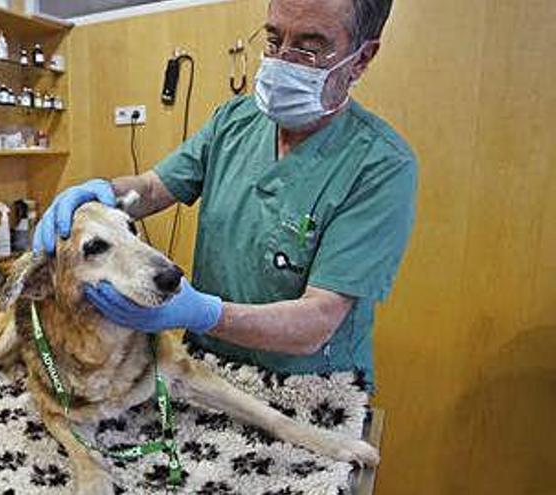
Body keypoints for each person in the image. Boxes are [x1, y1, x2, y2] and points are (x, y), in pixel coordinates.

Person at [33, 0, 415, 390]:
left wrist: (200, 313)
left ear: (362, 57)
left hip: (309, 381)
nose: (282, 60)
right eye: (272, 38)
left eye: (309, 46)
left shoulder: (379, 165)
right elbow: (151, 188)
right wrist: (101, 195)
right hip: (207, 363)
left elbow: (317, 322)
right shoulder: (235, 122)